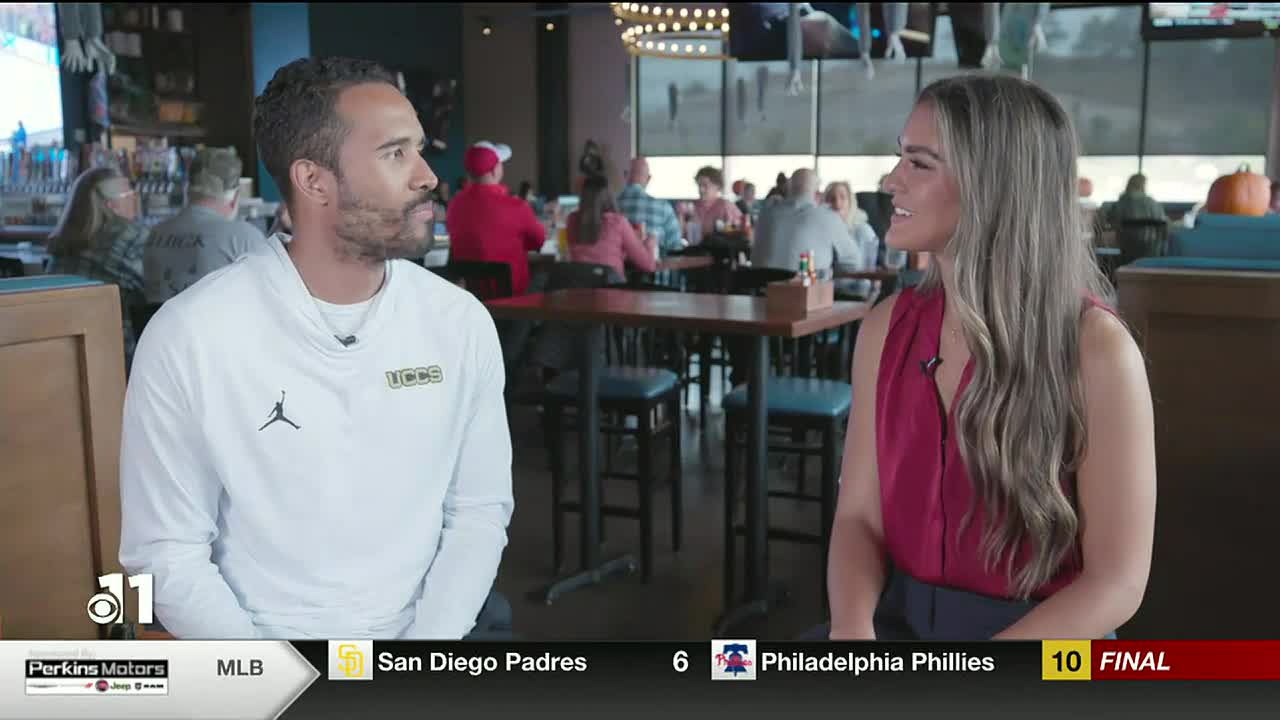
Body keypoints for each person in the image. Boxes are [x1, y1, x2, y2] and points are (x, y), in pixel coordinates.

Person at [118, 56, 514, 640]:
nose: (427, 175)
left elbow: (478, 509)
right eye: (395, 153)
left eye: (419, 149)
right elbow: (164, 551)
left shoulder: (459, 322)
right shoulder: (191, 336)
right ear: (313, 180)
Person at [826, 74, 1155, 641]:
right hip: (900, 622)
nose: (889, 181)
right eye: (898, 157)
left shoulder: (1098, 349)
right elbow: (858, 518)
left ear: (993, 185)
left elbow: (1117, 583)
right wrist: (851, 634)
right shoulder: (884, 329)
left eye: (920, 163)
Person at [46, 166, 147, 371]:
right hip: (116, 356)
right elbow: (156, 290)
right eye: (130, 194)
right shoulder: (130, 237)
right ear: (112, 205)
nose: (136, 199)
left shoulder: (61, 241)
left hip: (61, 354)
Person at [143, 147, 266, 303]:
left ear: (187, 191)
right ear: (234, 197)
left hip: (162, 327)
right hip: (220, 327)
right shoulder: (243, 236)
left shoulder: (155, 234)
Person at [446, 140, 546, 296]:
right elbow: (538, 242)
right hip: (514, 300)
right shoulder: (517, 206)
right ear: (495, 171)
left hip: (473, 299)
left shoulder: (454, 205)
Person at [752, 169, 860, 274]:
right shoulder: (828, 217)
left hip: (762, 288)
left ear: (787, 189)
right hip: (806, 288)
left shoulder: (765, 213)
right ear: (817, 193)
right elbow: (853, 263)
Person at [566, 174, 656, 280]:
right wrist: (650, 243)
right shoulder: (618, 222)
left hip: (578, 291)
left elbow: (593, 251)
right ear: (609, 195)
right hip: (612, 291)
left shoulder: (572, 220)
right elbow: (648, 266)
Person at [616, 156, 682, 255]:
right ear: (648, 179)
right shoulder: (663, 207)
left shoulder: (611, 206)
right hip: (655, 268)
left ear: (625, 176)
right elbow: (675, 245)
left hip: (619, 269)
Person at [1107, 174, 1167, 262]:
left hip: (1127, 248)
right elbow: (1163, 225)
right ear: (1143, 185)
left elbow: (1112, 223)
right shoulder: (1152, 203)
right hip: (1151, 249)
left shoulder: (1120, 203)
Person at [688, 166, 743, 238]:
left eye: (705, 185)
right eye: (699, 185)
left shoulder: (727, 206)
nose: (701, 190)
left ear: (717, 186)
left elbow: (742, 231)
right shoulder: (691, 207)